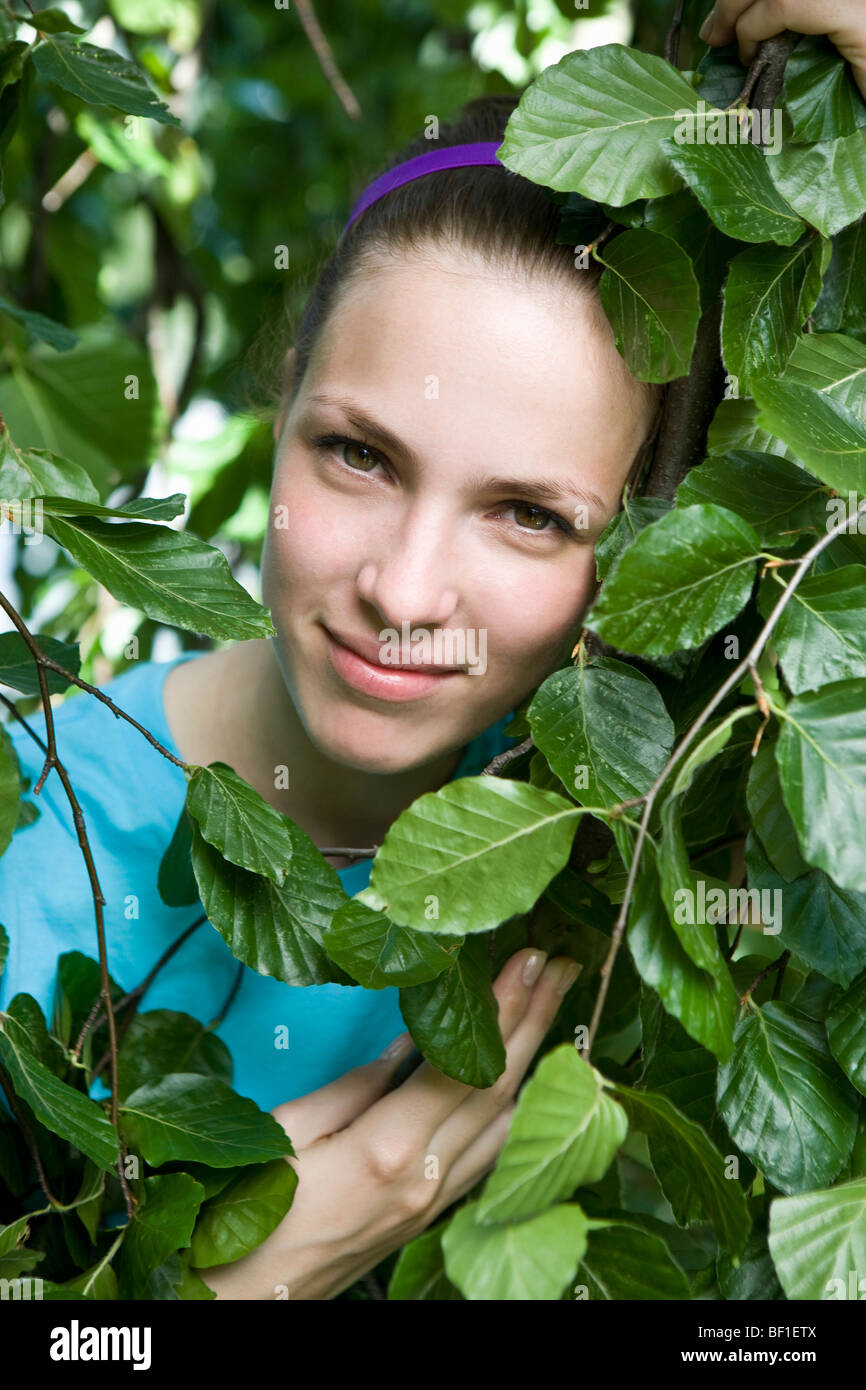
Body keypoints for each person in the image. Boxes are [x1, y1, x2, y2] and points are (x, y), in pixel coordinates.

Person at [3, 0, 865, 1301]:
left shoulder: (655, 822)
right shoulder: (29, 850)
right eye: (358, 454)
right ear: (280, 394)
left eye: (527, 515)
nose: (403, 589)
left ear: (643, 559)